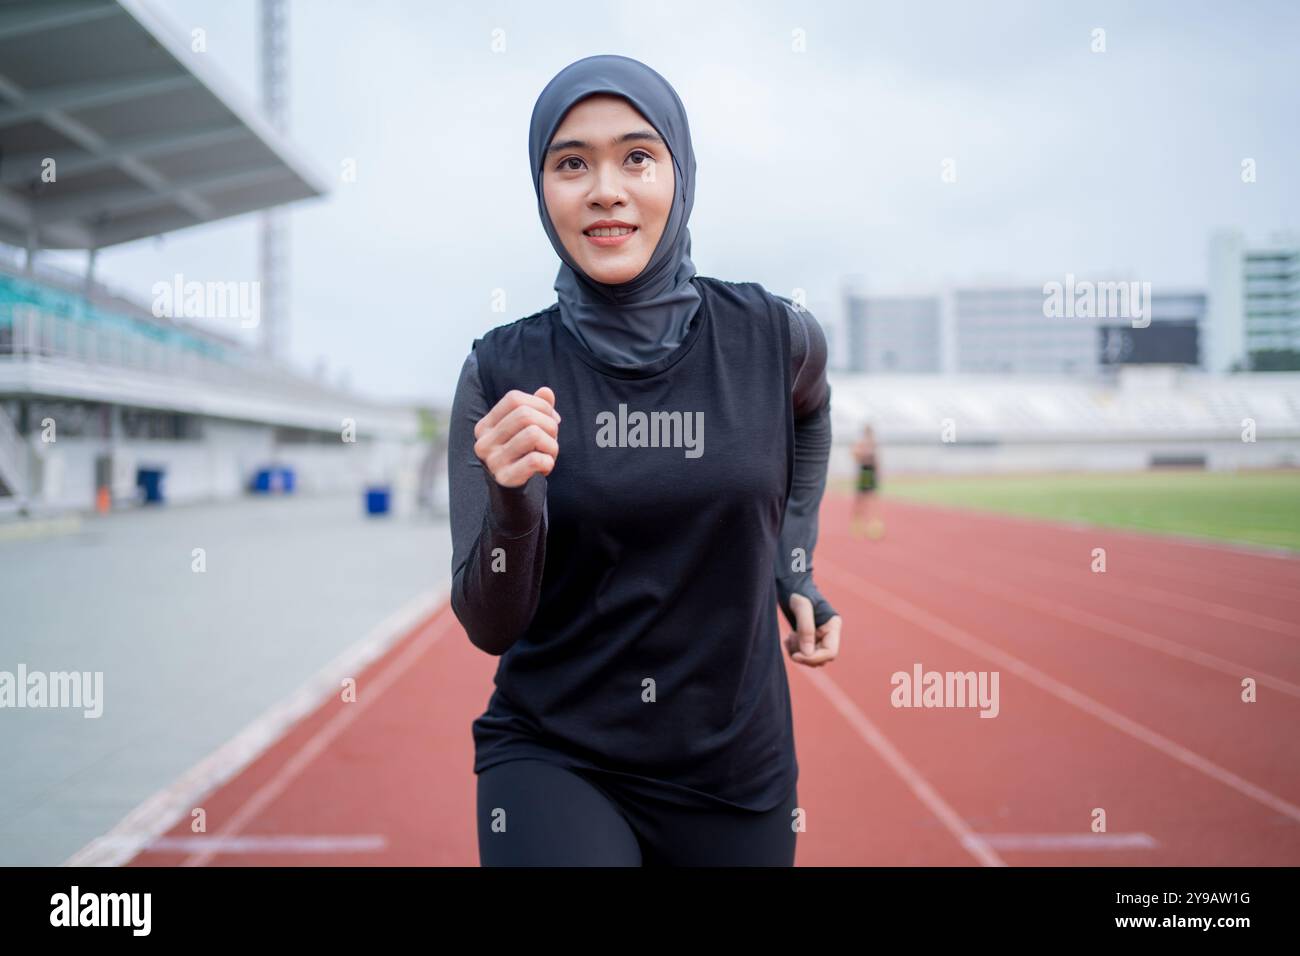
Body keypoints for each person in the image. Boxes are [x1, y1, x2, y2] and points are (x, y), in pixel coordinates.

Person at [448, 54, 841, 866]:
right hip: (558, 755)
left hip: (735, 766)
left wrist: (792, 568)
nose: (605, 189)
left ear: (680, 172)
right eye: (570, 164)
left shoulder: (775, 337)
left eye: (636, 156)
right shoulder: (499, 372)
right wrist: (515, 503)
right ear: (542, 187)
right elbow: (489, 626)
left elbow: (812, 416)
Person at [850, 423, 882, 539]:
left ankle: (873, 525)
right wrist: (863, 455)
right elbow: (855, 455)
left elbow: (877, 461)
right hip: (864, 472)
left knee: (872, 499)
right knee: (860, 499)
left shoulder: (873, 443)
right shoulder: (861, 443)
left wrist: (878, 474)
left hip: (871, 472)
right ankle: (857, 523)